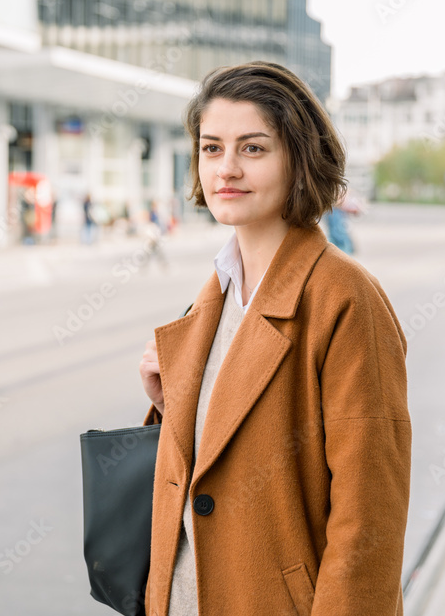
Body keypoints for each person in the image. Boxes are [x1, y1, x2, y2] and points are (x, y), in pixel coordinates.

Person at [137, 62, 411, 615]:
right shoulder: (216, 292)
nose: (227, 168)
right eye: (211, 148)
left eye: (253, 148)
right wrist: (171, 406)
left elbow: (368, 520)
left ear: (299, 159)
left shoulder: (345, 298)